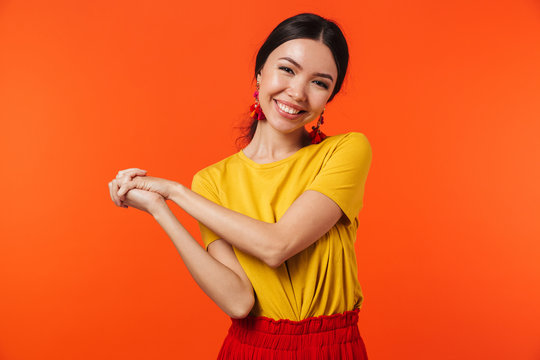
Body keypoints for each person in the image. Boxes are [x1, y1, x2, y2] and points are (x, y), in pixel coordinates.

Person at [108, 13, 372, 359]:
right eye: (287, 69)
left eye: (319, 83)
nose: (297, 92)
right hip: (250, 349)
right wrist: (161, 210)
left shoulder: (345, 151)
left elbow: (277, 246)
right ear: (260, 73)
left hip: (331, 348)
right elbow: (238, 301)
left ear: (329, 97)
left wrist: (175, 192)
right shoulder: (212, 182)